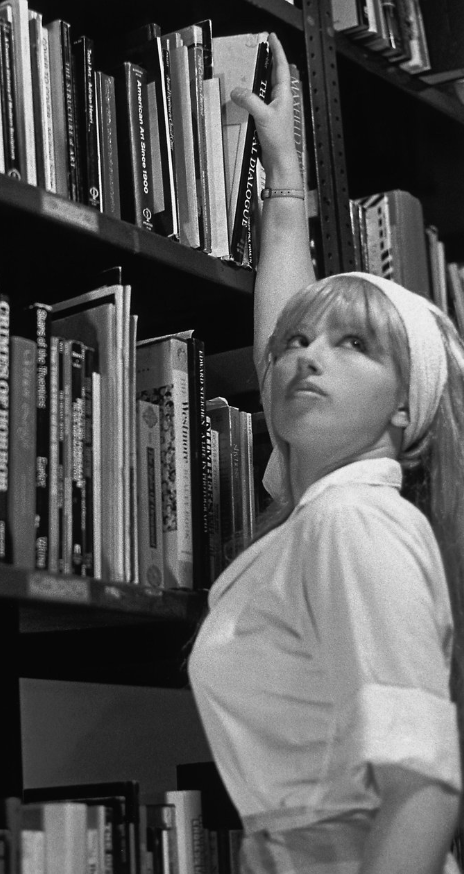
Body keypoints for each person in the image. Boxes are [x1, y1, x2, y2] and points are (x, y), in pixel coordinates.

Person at [188, 32, 464, 874]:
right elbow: (282, 332)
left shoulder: (352, 520)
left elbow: (423, 792)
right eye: (297, 345)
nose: (308, 358)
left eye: (354, 346)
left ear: (405, 406)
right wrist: (282, 179)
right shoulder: (319, 504)